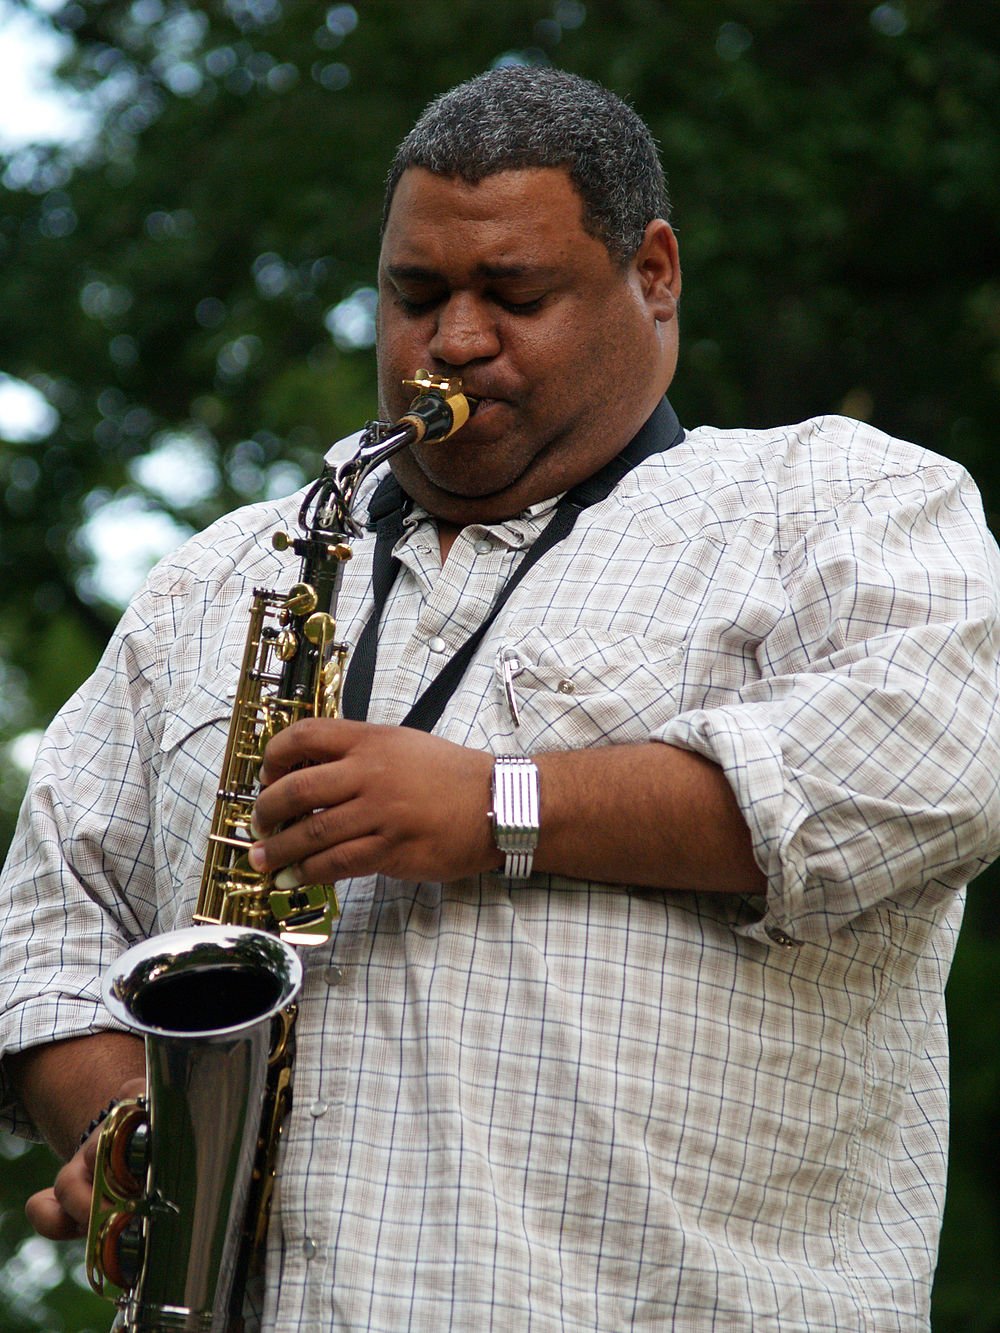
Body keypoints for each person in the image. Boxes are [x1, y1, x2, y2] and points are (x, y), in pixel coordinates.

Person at [2, 64, 999, 1332]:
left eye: (513, 295)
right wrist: (129, 1127)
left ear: (654, 274)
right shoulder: (221, 577)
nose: (454, 342)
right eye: (416, 296)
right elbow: (44, 931)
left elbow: (932, 770)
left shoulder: (837, 502)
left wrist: (497, 806)